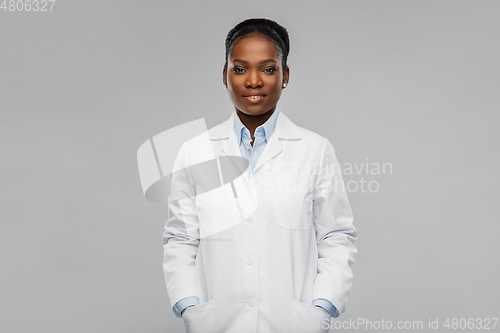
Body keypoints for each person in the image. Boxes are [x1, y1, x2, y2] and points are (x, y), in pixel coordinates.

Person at [162, 18, 358, 333]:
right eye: (239, 69)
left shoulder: (315, 150)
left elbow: (335, 236)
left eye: (268, 68)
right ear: (224, 76)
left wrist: (322, 307)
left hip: (292, 324)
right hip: (217, 323)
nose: (253, 81)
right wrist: (189, 305)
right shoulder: (195, 151)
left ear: (285, 76)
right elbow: (181, 238)